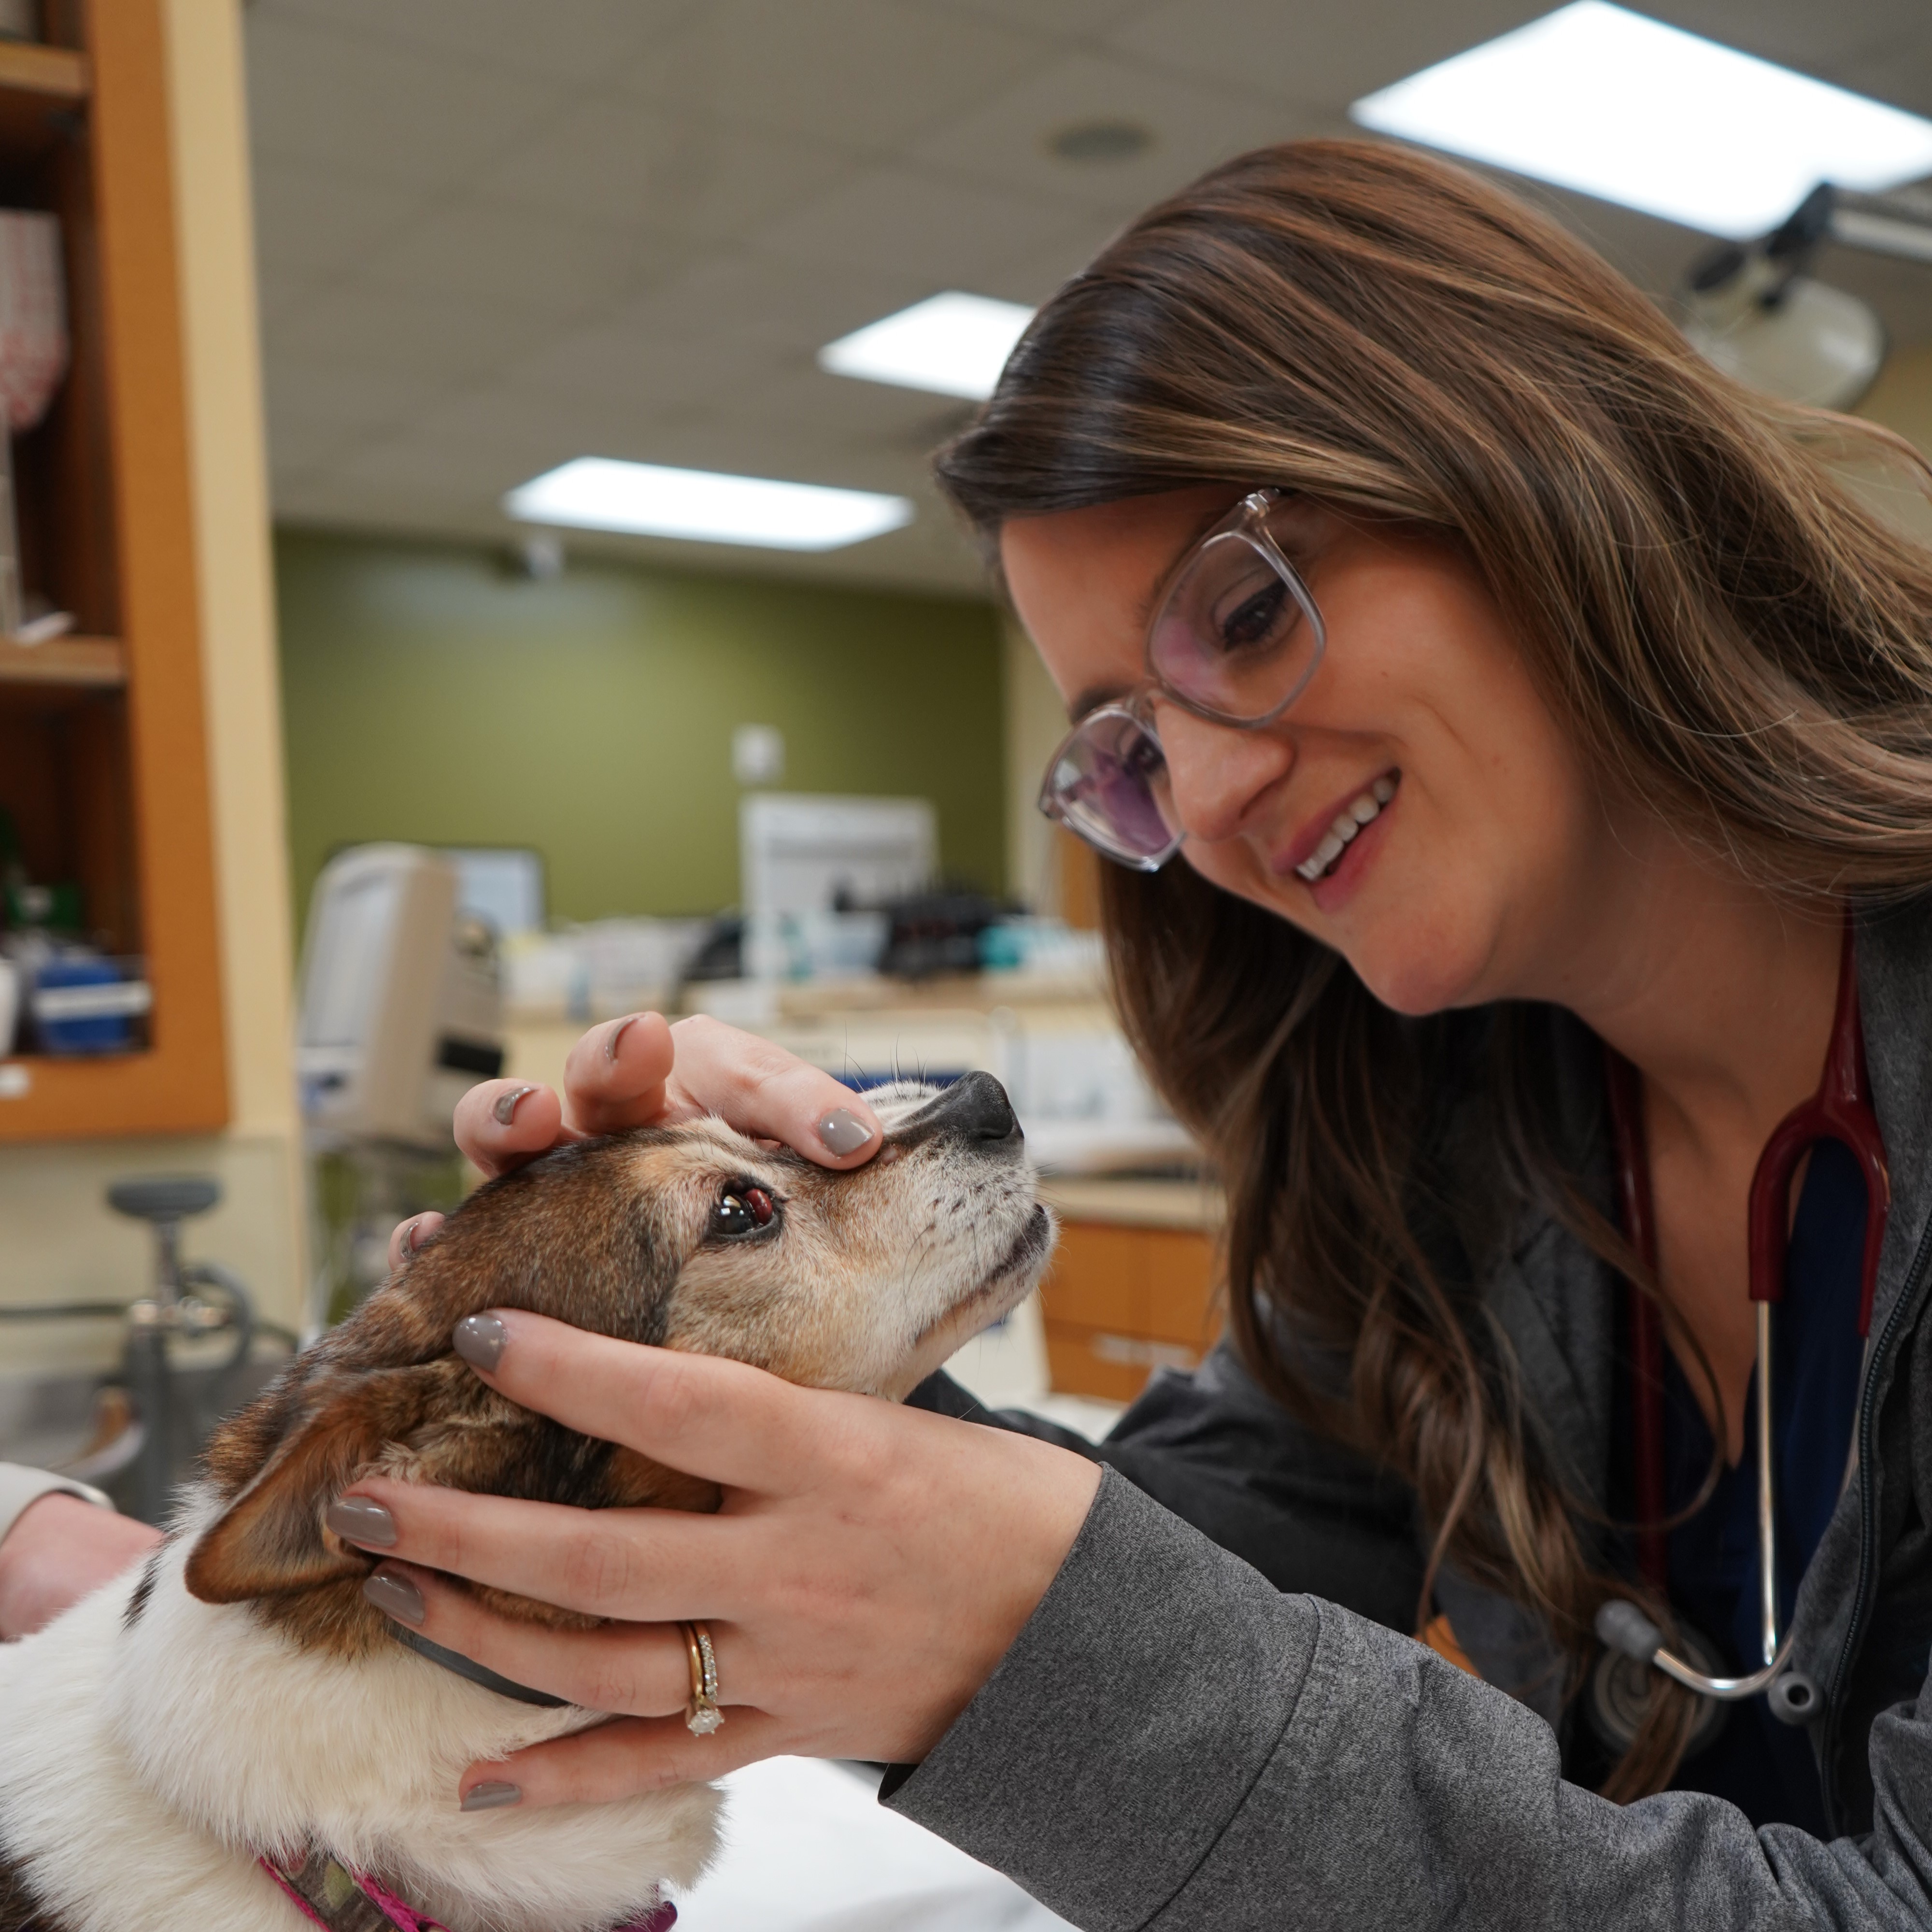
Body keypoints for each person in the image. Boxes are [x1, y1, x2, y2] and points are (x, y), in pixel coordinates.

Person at [10, 139, 1932, 1925]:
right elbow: (1214, 1560)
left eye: (1246, 614)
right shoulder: (1453, 1124)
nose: (1218, 787)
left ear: (1547, 462)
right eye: (1127, 748)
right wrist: (690, 1404)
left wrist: (997, 1612)